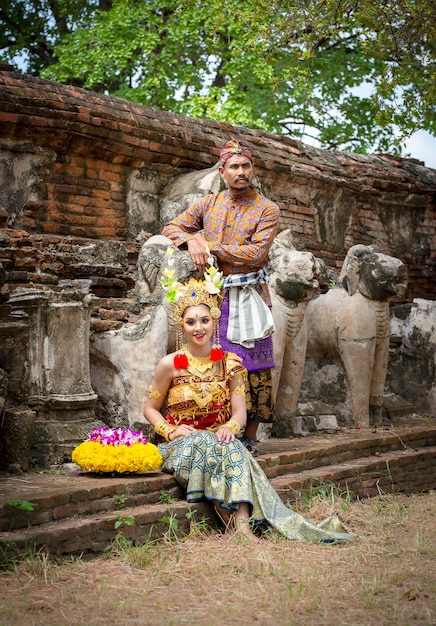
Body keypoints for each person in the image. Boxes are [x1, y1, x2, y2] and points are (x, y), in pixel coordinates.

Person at [143, 264, 356, 543]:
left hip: (219, 441)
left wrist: (231, 427)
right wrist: (170, 431)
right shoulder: (169, 365)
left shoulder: (230, 364)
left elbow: (241, 412)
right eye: (191, 322)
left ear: (214, 321)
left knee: (230, 445)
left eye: (204, 320)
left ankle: (241, 530)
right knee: (208, 444)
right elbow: (149, 408)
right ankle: (238, 528)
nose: (198, 327)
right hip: (181, 445)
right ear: (181, 326)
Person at [162, 138, 280, 457]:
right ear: (222, 171)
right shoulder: (208, 204)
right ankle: (216, 427)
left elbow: (255, 253)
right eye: (234, 167)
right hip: (214, 296)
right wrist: (190, 241)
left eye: (246, 166)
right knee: (216, 364)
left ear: (252, 169)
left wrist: (208, 245)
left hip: (252, 295)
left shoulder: (267, 209)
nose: (241, 172)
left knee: (254, 366)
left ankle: (250, 435)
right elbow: (172, 227)